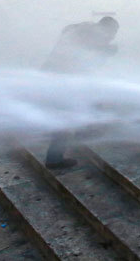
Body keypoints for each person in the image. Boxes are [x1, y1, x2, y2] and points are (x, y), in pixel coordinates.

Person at [42, 17, 119, 169]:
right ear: (107, 28)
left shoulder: (81, 29)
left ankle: (84, 131)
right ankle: (54, 159)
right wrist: (107, 52)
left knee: (91, 101)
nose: (113, 37)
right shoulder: (95, 37)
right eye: (113, 32)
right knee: (65, 118)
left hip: (55, 76)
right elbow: (89, 61)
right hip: (64, 81)